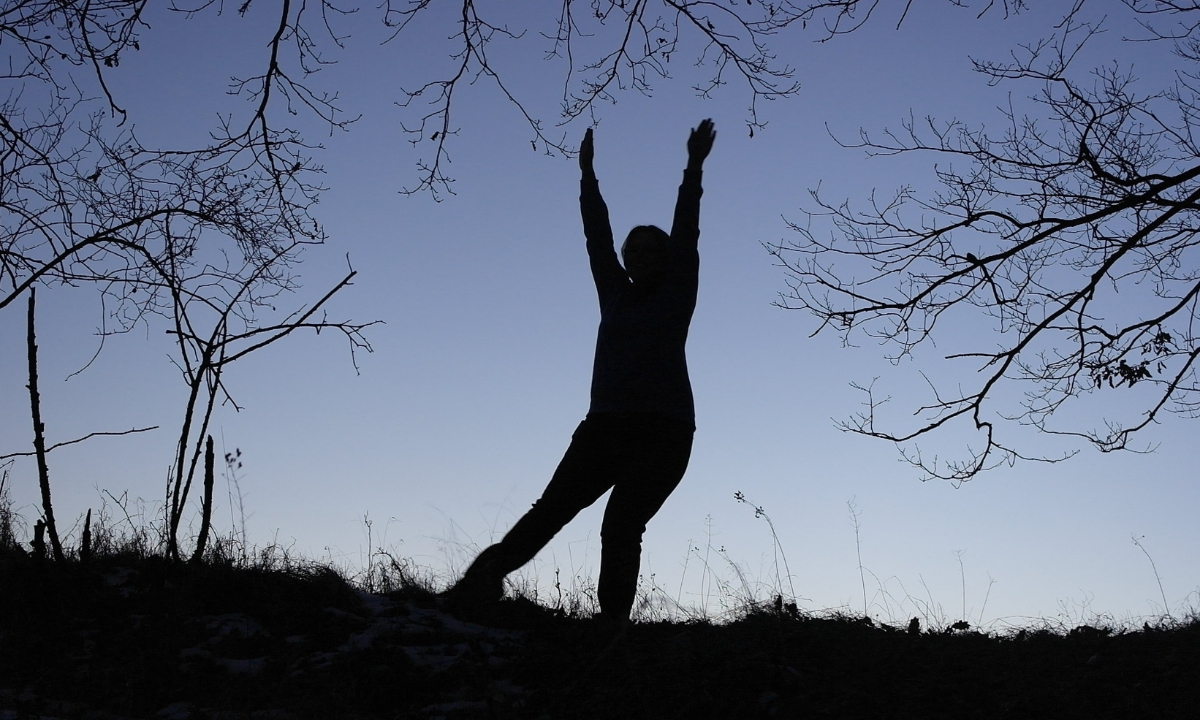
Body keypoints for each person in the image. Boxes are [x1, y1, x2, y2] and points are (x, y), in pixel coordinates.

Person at [448, 119, 716, 624]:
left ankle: (610, 626)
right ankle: (474, 588)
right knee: (549, 511)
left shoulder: (678, 291)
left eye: (647, 248)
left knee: (620, 526)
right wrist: (587, 175)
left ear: (666, 256)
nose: (635, 255)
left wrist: (693, 168)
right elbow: (597, 237)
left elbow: (687, 230)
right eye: (630, 251)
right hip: (604, 427)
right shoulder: (614, 293)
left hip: (663, 430)